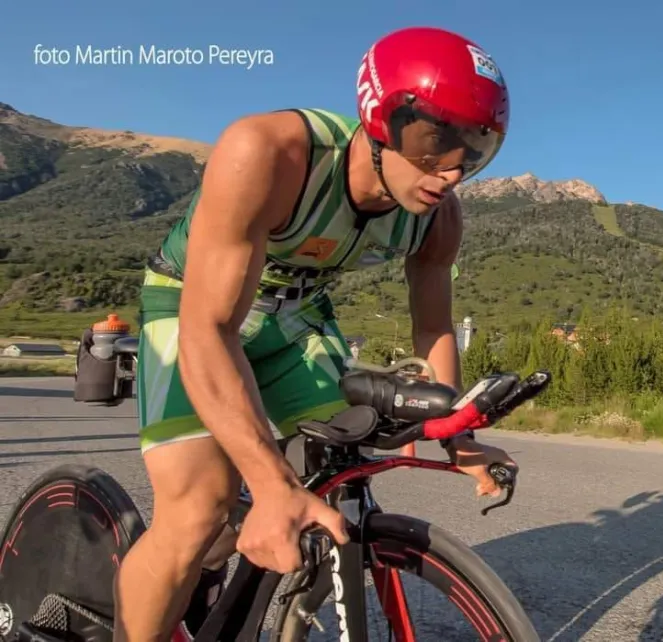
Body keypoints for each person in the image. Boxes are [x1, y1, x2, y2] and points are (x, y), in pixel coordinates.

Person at [113, 26, 514, 642]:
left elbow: (433, 326)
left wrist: (453, 435)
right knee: (197, 509)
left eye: (475, 152)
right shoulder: (267, 153)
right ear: (380, 117)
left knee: (350, 450)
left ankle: (232, 550)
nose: (452, 172)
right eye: (434, 141)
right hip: (193, 309)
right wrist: (270, 487)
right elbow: (209, 327)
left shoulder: (438, 218)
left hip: (295, 316)